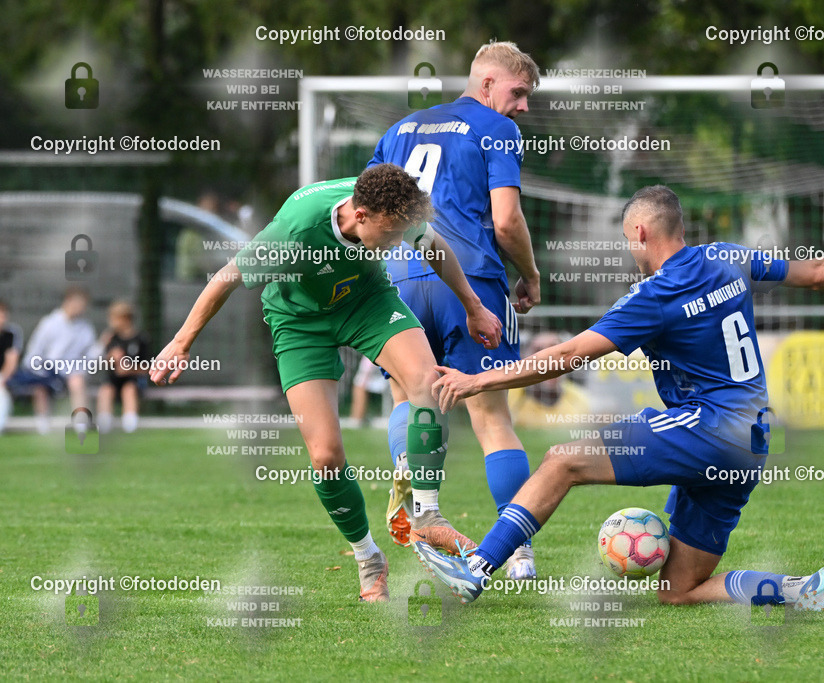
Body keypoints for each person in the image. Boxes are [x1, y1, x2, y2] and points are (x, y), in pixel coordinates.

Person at [419, 184, 824, 608]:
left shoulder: (655, 295)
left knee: (563, 460)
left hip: (708, 428)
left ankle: (477, 569)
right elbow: (818, 273)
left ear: (639, 234)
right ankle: (797, 590)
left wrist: (477, 380)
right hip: (750, 442)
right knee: (678, 589)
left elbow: (568, 356)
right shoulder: (727, 257)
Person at [148, 164, 501, 603]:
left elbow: (433, 246)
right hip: (300, 323)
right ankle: (369, 558)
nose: (396, 244)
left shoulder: (393, 209)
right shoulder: (296, 230)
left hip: (366, 302)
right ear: (362, 215)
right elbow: (226, 278)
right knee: (326, 457)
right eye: (390, 235)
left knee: (428, 383)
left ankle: (427, 515)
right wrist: (181, 343)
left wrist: (473, 306)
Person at [368, 40, 543, 579]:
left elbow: (366, 208)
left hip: (397, 276)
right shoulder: (497, 129)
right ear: (487, 84)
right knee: (490, 416)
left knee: (409, 397)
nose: (523, 107)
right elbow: (507, 220)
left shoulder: (400, 130)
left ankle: (420, 502)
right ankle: (515, 552)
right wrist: (531, 275)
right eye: (519, 93)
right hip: (467, 278)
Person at [7, 288, 95, 434]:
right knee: (40, 387)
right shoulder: (49, 323)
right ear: (69, 301)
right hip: (47, 369)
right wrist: (37, 371)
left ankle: (81, 424)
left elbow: (91, 354)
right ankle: (43, 425)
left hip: (72, 370)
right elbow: (35, 351)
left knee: (77, 381)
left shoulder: (85, 328)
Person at [507, 332, 590, 429]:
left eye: (555, 350)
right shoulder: (508, 397)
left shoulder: (579, 399)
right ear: (524, 358)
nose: (547, 359)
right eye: (538, 350)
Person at [96, 301, 150, 434]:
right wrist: (110, 357)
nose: (111, 323)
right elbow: (101, 363)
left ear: (126, 319)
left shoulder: (141, 339)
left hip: (134, 379)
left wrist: (130, 369)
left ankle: (130, 425)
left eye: (114, 319)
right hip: (114, 380)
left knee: (129, 389)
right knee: (106, 390)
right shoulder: (111, 338)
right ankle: (104, 424)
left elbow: (147, 366)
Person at [0, 300, 24, 434]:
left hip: (4, 376)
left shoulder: (12, 333)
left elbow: (11, 361)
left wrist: (2, 379)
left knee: (1, 394)